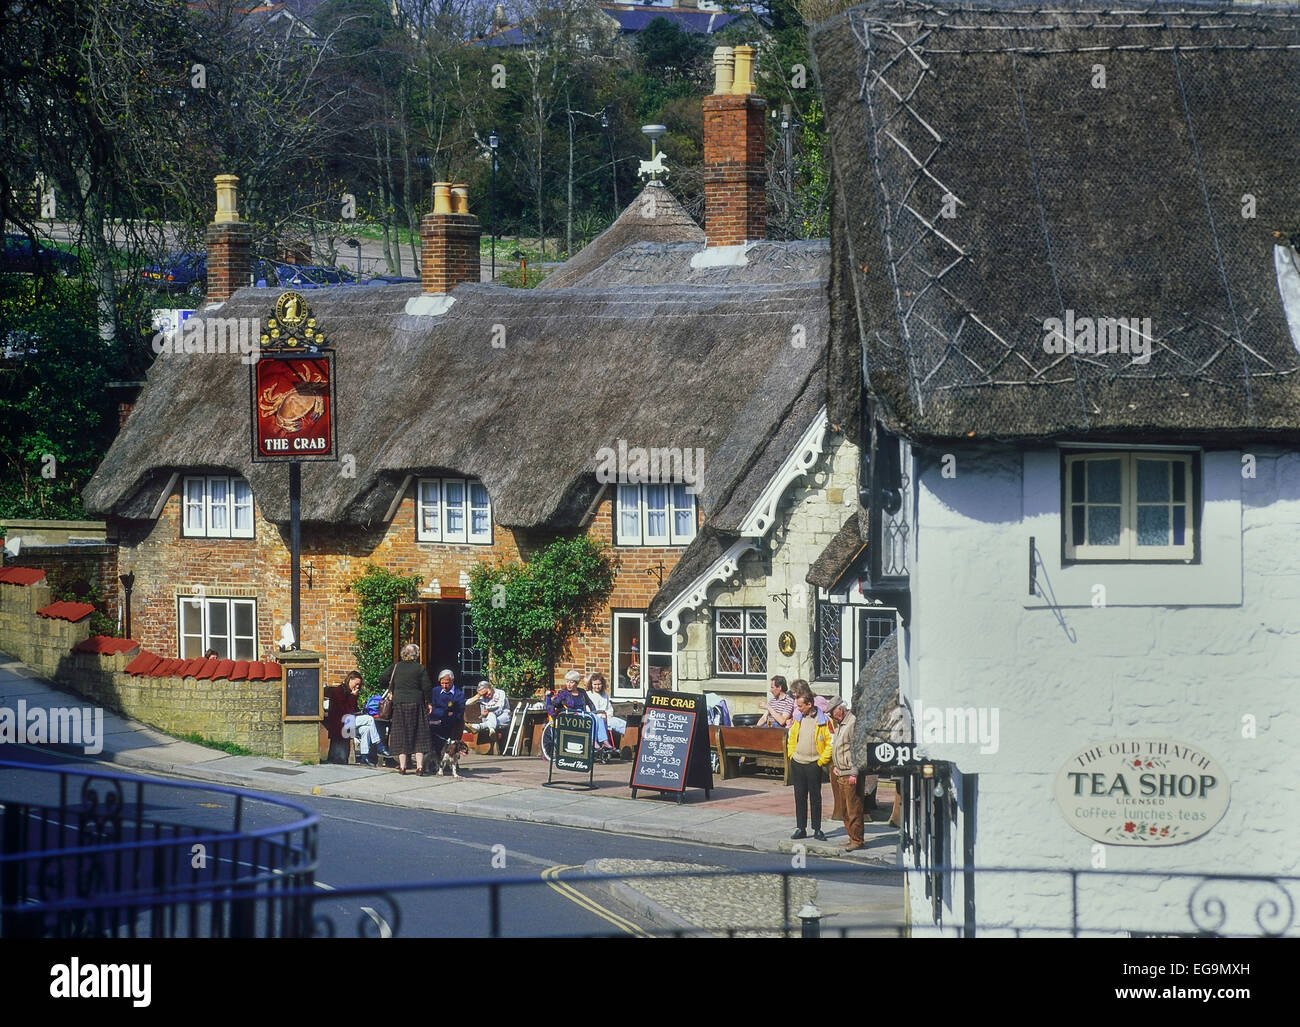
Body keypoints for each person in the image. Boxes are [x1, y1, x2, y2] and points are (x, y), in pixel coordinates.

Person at [380, 643, 432, 776]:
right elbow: (426, 687)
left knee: (401, 734)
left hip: (399, 704)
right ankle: (419, 767)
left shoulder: (396, 667)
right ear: (416, 655)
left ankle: (402, 767)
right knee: (419, 735)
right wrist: (429, 702)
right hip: (417, 703)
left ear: (404, 654)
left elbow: (382, 679)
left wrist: (392, 689)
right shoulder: (420, 668)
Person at [786, 691, 832, 841]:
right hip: (798, 762)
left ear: (809, 704)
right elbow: (791, 737)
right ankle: (801, 828)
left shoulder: (823, 720)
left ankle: (817, 829)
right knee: (799, 797)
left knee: (815, 797)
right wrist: (792, 754)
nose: (798, 708)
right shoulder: (798, 718)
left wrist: (820, 761)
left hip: (814, 764)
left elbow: (830, 742)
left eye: (800, 706)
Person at [325, 670, 389, 767]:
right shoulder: (338, 691)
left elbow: (353, 709)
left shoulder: (350, 692)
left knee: (366, 729)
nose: (357, 687)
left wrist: (359, 710)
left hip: (348, 721)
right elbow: (345, 710)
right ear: (350, 680)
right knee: (369, 719)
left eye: (359, 685)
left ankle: (364, 756)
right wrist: (353, 697)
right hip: (341, 722)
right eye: (356, 684)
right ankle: (379, 745)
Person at [827, 697, 866, 851]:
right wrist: (836, 765)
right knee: (844, 809)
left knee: (854, 808)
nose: (831, 716)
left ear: (840, 709)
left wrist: (854, 772)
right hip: (840, 772)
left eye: (832, 713)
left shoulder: (852, 723)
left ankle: (857, 840)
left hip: (850, 773)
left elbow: (858, 748)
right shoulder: (839, 724)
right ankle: (851, 837)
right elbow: (838, 747)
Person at [429, 669, 466, 766]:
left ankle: (449, 760)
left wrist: (443, 717)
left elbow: (458, 712)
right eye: (442, 683)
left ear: (452, 681)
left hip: (450, 724)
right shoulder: (435, 691)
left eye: (447, 683)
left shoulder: (458, 695)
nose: (445, 686)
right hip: (434, 721)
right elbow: (431, 708)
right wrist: (445, 712)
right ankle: (433, 761)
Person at [585, 672, 624, 750]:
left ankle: (632, 739)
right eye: (595, 684)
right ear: (591, 685)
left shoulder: (604, 695)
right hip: (594, 718)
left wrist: (609, 714)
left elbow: (609, 708)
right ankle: (604, 742)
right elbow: (588, 710)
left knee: (622, 723)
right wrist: (600, 715)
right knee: (603, 721)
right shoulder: (588, 694)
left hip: (606, 717)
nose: (597, 686)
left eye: (599, 684)